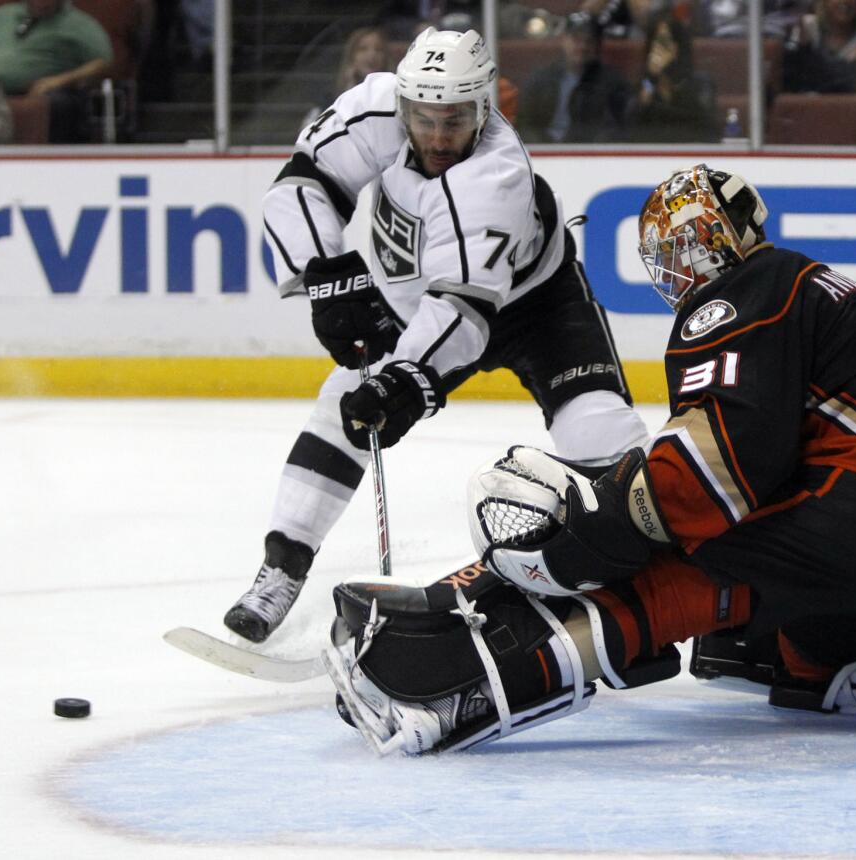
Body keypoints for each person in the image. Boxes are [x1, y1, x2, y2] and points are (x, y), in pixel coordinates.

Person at [322, 163, 856, 755]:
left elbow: (711, 476)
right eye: (667, 253)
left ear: (733, 230)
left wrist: (599, 522)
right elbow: (768, 459)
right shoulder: (820, 289)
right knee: (770, 643)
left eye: (691, 240)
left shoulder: (753, 286)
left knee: (653, 548)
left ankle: (450, 679)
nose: (684, 265)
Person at [229, 28, 649, 644]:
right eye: (423, 119)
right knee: (339, 411)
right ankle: (280, 569)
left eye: (454, 121)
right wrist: (328, 275)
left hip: (536, 307)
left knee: (604, 437)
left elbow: (466, 311)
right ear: (402, 105)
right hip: (421, 303)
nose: (438, 138)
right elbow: (300, 184)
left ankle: (647, 584)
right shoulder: (376, 107)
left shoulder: (495, 176)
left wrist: (406, 380)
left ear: (486, 108)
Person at [515, 12, 631, 144]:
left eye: (589, 41)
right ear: (564, 40)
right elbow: (525, 125)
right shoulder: (541, 79)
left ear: (597, 45)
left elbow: (614, 130)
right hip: (543, 154)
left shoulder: (612, 84)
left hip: (586, 156)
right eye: (576, 39)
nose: (582, 46)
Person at [625, 10, 720, 143]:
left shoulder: (697, 87)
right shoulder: (643, 85)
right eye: (655, 43)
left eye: (664, 43)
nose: (658, 50)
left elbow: (707, 132)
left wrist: (673, 81)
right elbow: (629, 128)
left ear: (678, 47)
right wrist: (651, 77)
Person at [0, 0, 112, 96]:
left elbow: (103, 63)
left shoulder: (79, 24)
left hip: (16, 94)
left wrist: (59, 81)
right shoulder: (2, 14)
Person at [781, 0, 856, 94]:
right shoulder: (808, 26)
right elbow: (794, 79)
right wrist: (850, 60)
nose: (845, 2)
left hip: (846, 105)